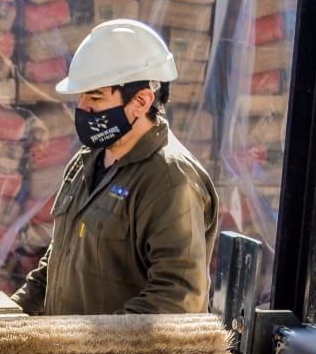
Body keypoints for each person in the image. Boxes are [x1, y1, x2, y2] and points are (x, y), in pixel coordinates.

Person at [12, 19, 219, 316]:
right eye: (81, 96)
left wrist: (100, 352)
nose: (82, 107)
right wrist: (9, 316)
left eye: (95, 97)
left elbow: (177, 296)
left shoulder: (170, 179)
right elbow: (58, 261)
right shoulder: (87, 159)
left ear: (141, 101)